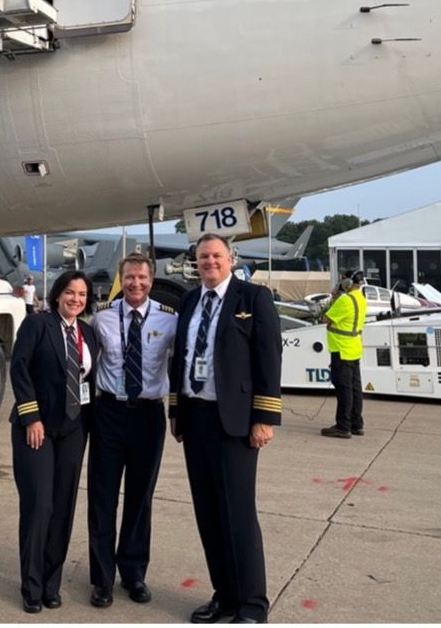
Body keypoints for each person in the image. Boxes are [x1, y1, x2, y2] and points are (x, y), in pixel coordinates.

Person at [168, 233, 282, 624]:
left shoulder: (253, 299)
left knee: (237, 514)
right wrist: (176, 412)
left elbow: (269, 357)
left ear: (230, 259)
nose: (210, 262)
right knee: (209, 513)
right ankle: (224, 597)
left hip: (233, 421)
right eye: (203, 257)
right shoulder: (188, 301)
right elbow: (179, 359)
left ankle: (251, 605)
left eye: (216, 256)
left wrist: (264, 417)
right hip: (196, 417)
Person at [87, 253, 177, 608]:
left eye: (141, 277)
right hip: (109, 413)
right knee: (102, 498)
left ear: (151, 280)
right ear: (120, 280)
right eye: (129, 278)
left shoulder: (170, 320)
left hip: (148, 417)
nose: (135, 284)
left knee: (140, 498)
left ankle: (134, 573)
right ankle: (102, 579)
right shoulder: (102, 319)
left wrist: (180, 412)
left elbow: (183, 365)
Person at [9, 270, 98, 614]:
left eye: (82, 295)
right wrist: (31, 417)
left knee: (63, 507)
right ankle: (31, 586)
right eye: (70, 293)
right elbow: (20, 369)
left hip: (74, 429)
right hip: (38, 428)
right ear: (58, 294)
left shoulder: (87, 332)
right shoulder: (38, 325)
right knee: (39, 506)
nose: (76, 299)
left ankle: (51, 583)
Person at [321, 270, 368, 439]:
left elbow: (325, 319)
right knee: (355, 389)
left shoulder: (345, 300)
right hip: (354, 348)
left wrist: (333, 299)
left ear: (347, 283)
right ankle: (357, 424)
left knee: (344, 390)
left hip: (341, 349)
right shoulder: (361, 299)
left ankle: (343, 426)